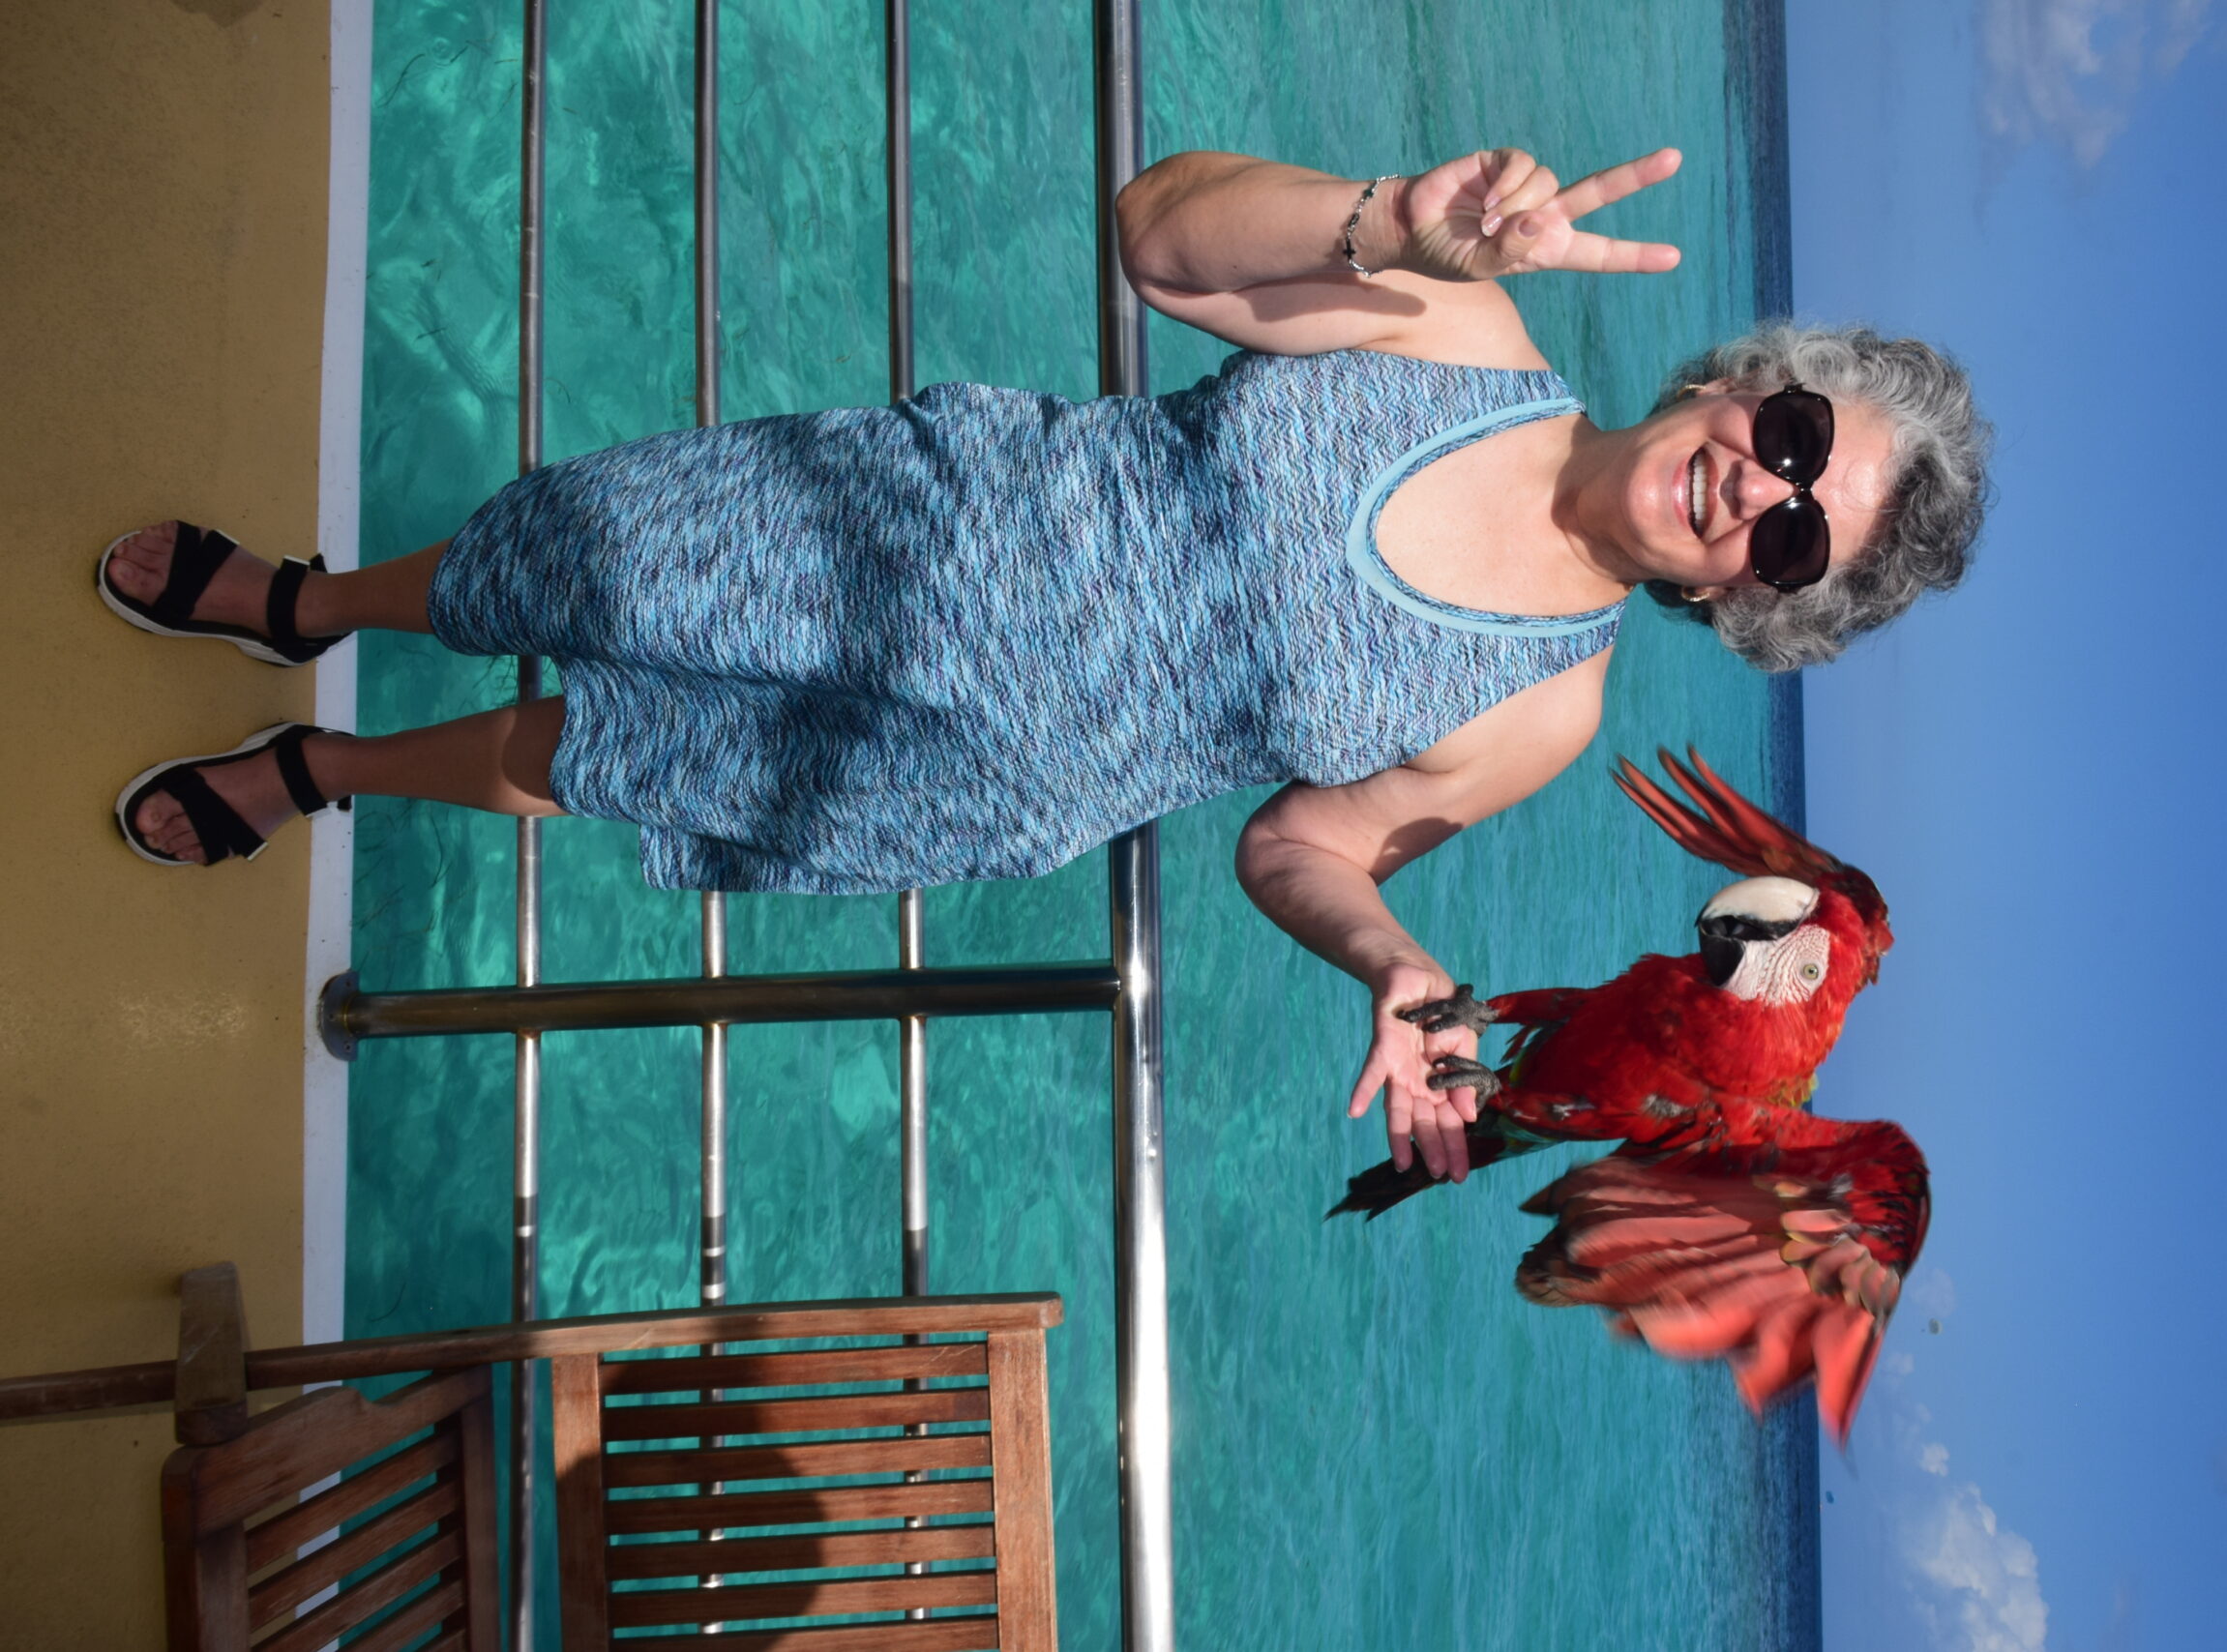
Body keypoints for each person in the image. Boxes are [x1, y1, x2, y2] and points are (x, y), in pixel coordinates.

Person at [100, 146, 1990, 1184]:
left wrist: (1395, 963)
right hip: (909, 522)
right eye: (1793, 439)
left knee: (603, 755)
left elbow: (1299, 843)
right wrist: (1386, 223)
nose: (1757, 490)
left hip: (986, 776)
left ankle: (328, 772)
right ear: (1751, 382)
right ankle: (316, 608)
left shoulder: (1545, 707)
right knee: (568, 554)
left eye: (1791, 540)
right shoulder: (1464, 324)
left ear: (1755, 602)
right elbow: (1159, 237)